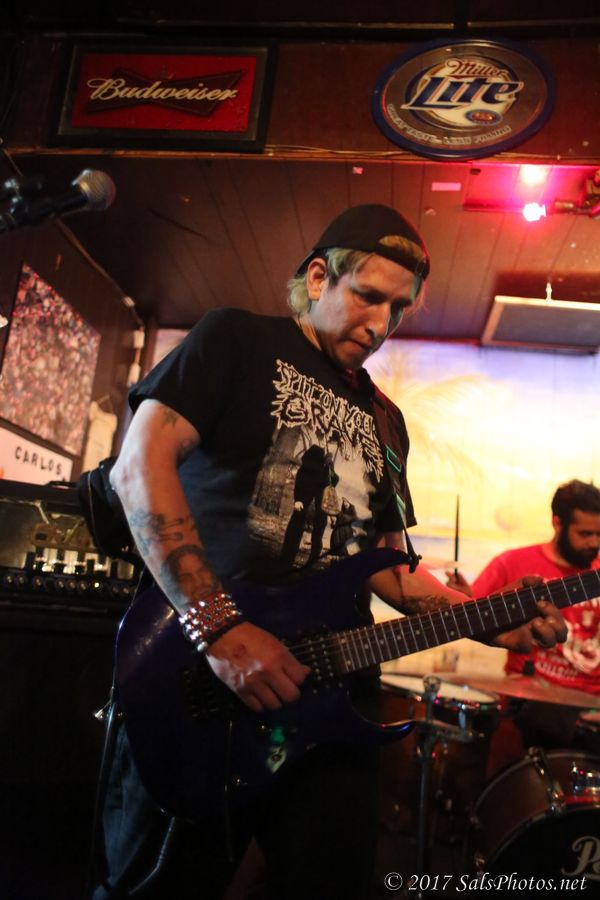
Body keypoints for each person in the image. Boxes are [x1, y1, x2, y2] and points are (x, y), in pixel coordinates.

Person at [92, 204, 566, 900]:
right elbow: (140, 466)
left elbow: (394, 573)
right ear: (318, 278)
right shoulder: (235, 339)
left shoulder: (387, 422)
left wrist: (491, 619)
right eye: (368, 296)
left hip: (333, 697)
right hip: (200, 677)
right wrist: (218, 626)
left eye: (399, 309)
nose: (380, 324)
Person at [450, 480, 600, 766]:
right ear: (557, 523)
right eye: (585, 534)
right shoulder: (512, 563)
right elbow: (472, 616)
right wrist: (463, 600)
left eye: (599, 534)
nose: (594, 543)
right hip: (533, 703)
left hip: (591, 708)